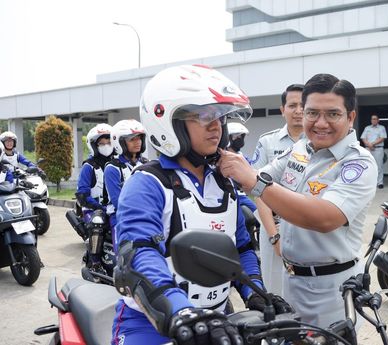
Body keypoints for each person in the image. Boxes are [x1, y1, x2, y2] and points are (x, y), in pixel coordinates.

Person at [112, 65, 291, 345]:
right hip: (154, 322)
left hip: (215, 321)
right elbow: (138, 253)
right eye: (203, 115)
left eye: (219, 116)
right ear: (170, 123)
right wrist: (179, 309)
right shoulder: (148, 182)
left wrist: (254, 291)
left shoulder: (224, 181)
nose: (216, 125)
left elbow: (240, 248)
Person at [219, 73, 378, 328]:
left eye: (333, 114)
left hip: (332, 291)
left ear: (350, 117)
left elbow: (325, 217)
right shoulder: (301, 149)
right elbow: (263, 174)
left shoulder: (358, 163)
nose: (321, 123)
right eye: (312, 113)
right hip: (290, 282)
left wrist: (253, 182)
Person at [251, 83, 305, 296]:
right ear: (283, 110)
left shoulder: (319, 143)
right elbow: (257, 191)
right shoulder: (267, 142)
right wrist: (274, 237)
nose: (298, 110)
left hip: (306, 225)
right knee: (274, 289)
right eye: (292, 105)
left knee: (305, 287)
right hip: (274, 225)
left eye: (303, 105)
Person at [75, 123, 114, 275]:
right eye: (102, 143)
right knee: (98, 223)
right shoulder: (89, 167)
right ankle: (95, 263)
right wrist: (101, 208)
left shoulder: (118, 164)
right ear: (94, 145)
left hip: (115, 206)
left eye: (109, 142)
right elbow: (82, 195)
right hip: (94, 208)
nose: (106, 146)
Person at [103, 119, 148, 249]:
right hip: (120, 216)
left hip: (145, 214)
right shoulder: (112, 168)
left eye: (139, 138)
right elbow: (118, 201)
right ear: (120, 142)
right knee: (123, 254)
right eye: (132, 139)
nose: (138, 142)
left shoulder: (146, 164)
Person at [226, 121, 257, 213]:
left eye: (242, 136)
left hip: (242, 195)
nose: (240, 139)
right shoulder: (220, 157)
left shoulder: (243, 158)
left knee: (257, 214)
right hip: (227, 196)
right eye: (237, 136)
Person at [360, 114, 387, 188]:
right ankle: (369, 183)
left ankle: (380, 183)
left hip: (378, 149)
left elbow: (382, 138)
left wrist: (372, 144)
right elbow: (363, 138)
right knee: (368, 166)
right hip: (368, 149)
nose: (373, 120)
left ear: (378, 120)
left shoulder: (381, 128)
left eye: (375, 119)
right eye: (372, 119)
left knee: (379, 166)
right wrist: (369, 145)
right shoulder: (367, 128)